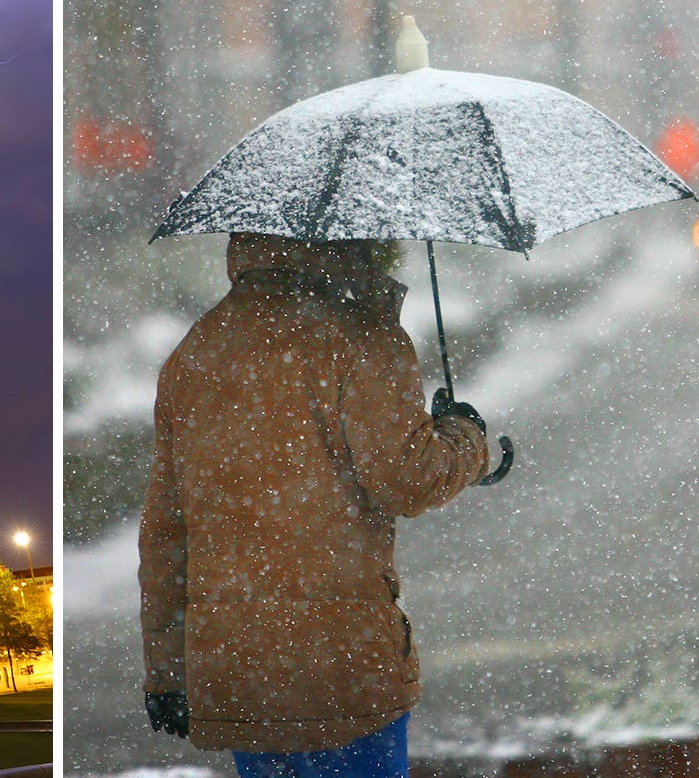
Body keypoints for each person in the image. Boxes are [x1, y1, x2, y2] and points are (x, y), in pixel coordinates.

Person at [139, 234, 489, 771]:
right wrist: (466, 437)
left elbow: (167, 533)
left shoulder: (196, 350)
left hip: (236, 673)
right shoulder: (362, 337)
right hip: (341, 671)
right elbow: (409, 480)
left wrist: (167, 671)